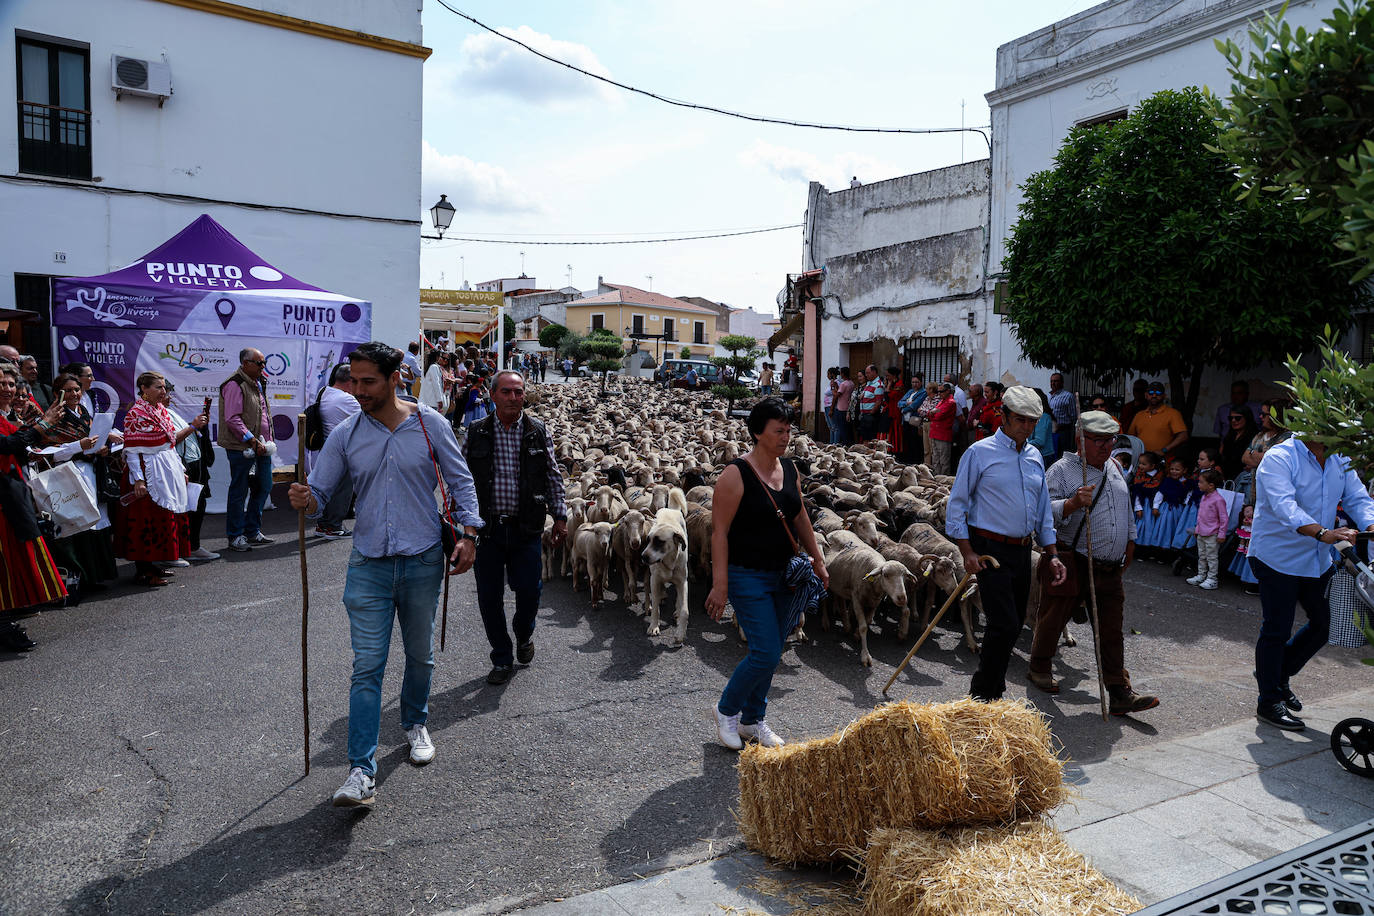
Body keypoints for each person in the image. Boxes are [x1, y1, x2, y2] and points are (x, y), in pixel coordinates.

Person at [289, 342, 482, 807]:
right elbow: (320, 492)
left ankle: (415, 721)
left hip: (421, 561)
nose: (358, 391)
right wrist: (305, 499)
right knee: (367, 667)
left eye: (368, 382)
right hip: (368, 565)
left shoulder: (430, 424)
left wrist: (469, 534)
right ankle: (360, 771)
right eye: (353, 381)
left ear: (395, 377)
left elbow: (460, 481)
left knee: (420, 655)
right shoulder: (347, 434)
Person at [705, 398, 828, 749]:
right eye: (778, 430)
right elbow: (719, 532)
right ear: (758, 432)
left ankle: (753, 719)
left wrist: (818, 560)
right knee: (766, 651)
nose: (786, 436)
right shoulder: (735, 474)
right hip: (747, 575)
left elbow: (800, 515)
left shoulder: (789, 469)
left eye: (788, 430)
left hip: (785, 575)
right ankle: (726, 710)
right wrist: (720, 584)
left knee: (773, 649)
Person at [1028, 410, 1159, 715]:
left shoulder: (1114, 466)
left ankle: (1119, 691)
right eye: (1096, 440)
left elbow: (1123, 506)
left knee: (1111, 629)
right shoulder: (1061, 471)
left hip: (1109, 565)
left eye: (1109, 439)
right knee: (1054, 616)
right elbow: (1042, 515)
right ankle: (1039, 666)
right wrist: (1072, 503)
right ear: (1079, 438)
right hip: (1073, 560)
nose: (1105, 446)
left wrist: (1130, 540)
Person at [1248, 427, 1374, 731]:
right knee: (1276, 629)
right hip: (1276, 557)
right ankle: (1268, 701)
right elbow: (1283, 507)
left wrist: (1371, 522)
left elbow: (1357, 497)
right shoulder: (1280, 456)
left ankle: (1276, 675)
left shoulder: (1339, 457)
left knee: (1327, 621)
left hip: (1317, 559)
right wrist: (1323, 532)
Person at [947, 385, 1063, 701]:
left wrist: (1051, 553)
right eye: (1020, 420)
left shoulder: (1035, 456)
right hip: (989, 550)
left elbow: (1042, 509)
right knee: (1004, 624)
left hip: (1023, 550)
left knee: (1013, 625)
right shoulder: (979, 452)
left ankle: (990, 691)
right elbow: (957, 504)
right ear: (1004, 416)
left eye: (1032, 421)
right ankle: (985, 694)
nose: (1026, 427)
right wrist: (967, 551)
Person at [463, 370, 568, 685]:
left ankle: (524, 632)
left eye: (518, 392)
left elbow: (552, 474)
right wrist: (460, 523)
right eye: (506, 392)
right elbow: (462, 478)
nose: (513, 398)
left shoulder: (537, 431)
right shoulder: (477, 431)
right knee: (489, 596)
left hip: (527, 527)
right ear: (493, 395)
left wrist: (560, 516)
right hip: (488, 530)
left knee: (530, 590)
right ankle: (502, 657)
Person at [0, 362, 69, 650]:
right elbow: (6, 446)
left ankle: (5, 624)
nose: (7, 389)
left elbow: (14, 445)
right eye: (1, 383)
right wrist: (42, 425)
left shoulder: (5, 415)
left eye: (9, 384)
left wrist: (34, 433)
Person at [118, 371, 205, 587]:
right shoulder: (136, 413)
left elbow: (170, 443)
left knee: (163, 519)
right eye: (158, 387)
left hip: (165, 467)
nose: (163, 391)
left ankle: (155, 563)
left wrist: (180, 469)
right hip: (147, 470)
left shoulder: (160, 411)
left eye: (164, 387)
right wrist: (138, 480)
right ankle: (144, 570)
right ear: (144, 389)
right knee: (146, 521)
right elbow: (132, 449)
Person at [43, 372, 121, 585]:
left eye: (76, 389)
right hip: (69, 474)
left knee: (97, 522)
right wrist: (80, 447)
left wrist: (100, 448)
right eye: (68, 390)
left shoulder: (84, 411)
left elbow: (93, 439)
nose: (74, 394)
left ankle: (98, 575)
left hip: (92, 472)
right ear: (58, 393)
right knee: (79, 524)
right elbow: (50, 452)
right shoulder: (54, 416)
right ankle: (80, 578)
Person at [219, 348, 274, 553]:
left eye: (264, 363)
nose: (263, 367)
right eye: (259, 363)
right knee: (239, 490)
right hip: (243, 447)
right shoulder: (235, 383)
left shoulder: (259, 381)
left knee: (264, 486)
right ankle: (235, 535)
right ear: (245, 363)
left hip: (262, 447)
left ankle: (252, 531)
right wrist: (252, 440)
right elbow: (232, 419)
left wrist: (265, 441)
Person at [310, 363, 361, 539]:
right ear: (350, 381)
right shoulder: (347, 400)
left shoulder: (325, 391)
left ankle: (324, 524)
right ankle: (331, 526)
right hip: (343, 449)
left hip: (327, 445)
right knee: (342, 490)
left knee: (329, 489)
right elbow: (370, 418)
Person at [169, 384, 218, 562]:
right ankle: (184, 549)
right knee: (185, 510)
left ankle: (192, 546)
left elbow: (185, 434)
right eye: (161, 390)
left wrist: (198, 426)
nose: (168, 396)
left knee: (197, 507)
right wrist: (193, 426)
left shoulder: (168, 411)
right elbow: (170, 440)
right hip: (181, 466)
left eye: (166, 391)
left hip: (194, 464)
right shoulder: (155, 414)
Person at [1237, 399, 1291, 504]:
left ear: (1276, 416)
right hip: (1252, 493)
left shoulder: (1286, 437)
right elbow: (1244, 458)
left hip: (1272, 494)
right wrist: (1260, 457)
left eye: (1264, 414)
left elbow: (1272, 461)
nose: (1260, 417)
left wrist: (1253, 454)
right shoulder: (1260, 435)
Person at [1126, 381, 1189, 463]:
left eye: (1158, 393)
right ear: (1146, 395)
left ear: (1164, 396)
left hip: (1162, 462)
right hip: (1141, 462)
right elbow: (1131, 437)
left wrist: (1164, 450)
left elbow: (1183, 436)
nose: (1154, 395)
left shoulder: (1173, 414)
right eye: (1151, 393)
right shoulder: (1139, 415)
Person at [1188, 468, 1228, 590]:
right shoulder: (1205, 497)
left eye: (1201, 482)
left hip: (1212, 534)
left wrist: (1222, 534)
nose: (1198, 484)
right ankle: (1201, 575)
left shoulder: (1218, 500)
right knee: (1202, 555)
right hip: (1202, 532)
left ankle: (1212, 579)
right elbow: (1201, 515)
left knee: (1212, 557)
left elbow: (1224, 518)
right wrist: (1197, 529)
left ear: (1211, 485)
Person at [926, 382, 957, 474]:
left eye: (941, 391)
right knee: (935, 459)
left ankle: (943, 480)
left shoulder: (950, 402)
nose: (939, 394)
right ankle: (937, 478)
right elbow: (930, 414)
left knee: (943, 460)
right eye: (938, 391)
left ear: (948, 391)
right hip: (935, 432)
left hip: (943, 434)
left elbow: (939, 415)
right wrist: (932, 413)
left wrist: (932, 413)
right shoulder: (942, 401)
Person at [1220, 407, 1258, 482]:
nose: (1233, 421)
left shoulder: (1255, 436)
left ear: (1247, 418)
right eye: (1230, 418)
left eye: (1237, 418)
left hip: (1244, 478)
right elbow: (1221, 455)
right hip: (1226, 478)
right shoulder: (1229, 436)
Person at [1047, 372, 1078, 460]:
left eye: (1056, 381)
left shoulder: (1068, 396)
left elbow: (1073, 416)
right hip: (1049, 431)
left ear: (1061, 382)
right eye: (1051, 381)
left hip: (1063, 432)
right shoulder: (1048, 396)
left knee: (1062, 456)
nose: (1053, 383)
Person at [856, 365, 885, 442]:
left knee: (871, 439)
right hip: (864, 415)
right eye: (866, 373)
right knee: (865, 438)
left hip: (871, 416)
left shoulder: (878, 385)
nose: (866, 375)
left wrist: (871, 413)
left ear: (874, 372)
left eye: (868, 373)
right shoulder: (869, 383)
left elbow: (878, 402)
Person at [883, 367, 905, 455]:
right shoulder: (893, 384)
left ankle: (898, 451)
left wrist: (888, 386)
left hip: (896, 412)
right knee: (891, 432)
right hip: (891, 411)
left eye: (888, 375)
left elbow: (889, 395)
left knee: (897, 432)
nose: (887, 377)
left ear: (894, 375)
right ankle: (891, 450)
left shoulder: (899, 384)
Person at [1029, 387, 1055, 464]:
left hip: (1043, 456)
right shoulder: (1035, 415)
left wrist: (1021, 445)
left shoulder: (1043, 416)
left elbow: (1039, 441)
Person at [418, 349, 449, 413]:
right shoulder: (434, 367)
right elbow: (436, 384)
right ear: (437, 357)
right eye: (440, 356)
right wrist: (439, 399)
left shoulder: (428, 366)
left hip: (427, 401)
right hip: (431, 401)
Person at [832, 367, 854, 445]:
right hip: (848, 408)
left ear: (843, 374)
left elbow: (837, 395)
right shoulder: (851, 383)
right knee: (847, 429)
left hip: (841, 408)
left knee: (842, 429)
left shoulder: (844, 384)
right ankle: (848, 443)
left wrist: (833, 388)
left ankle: (845, 444)